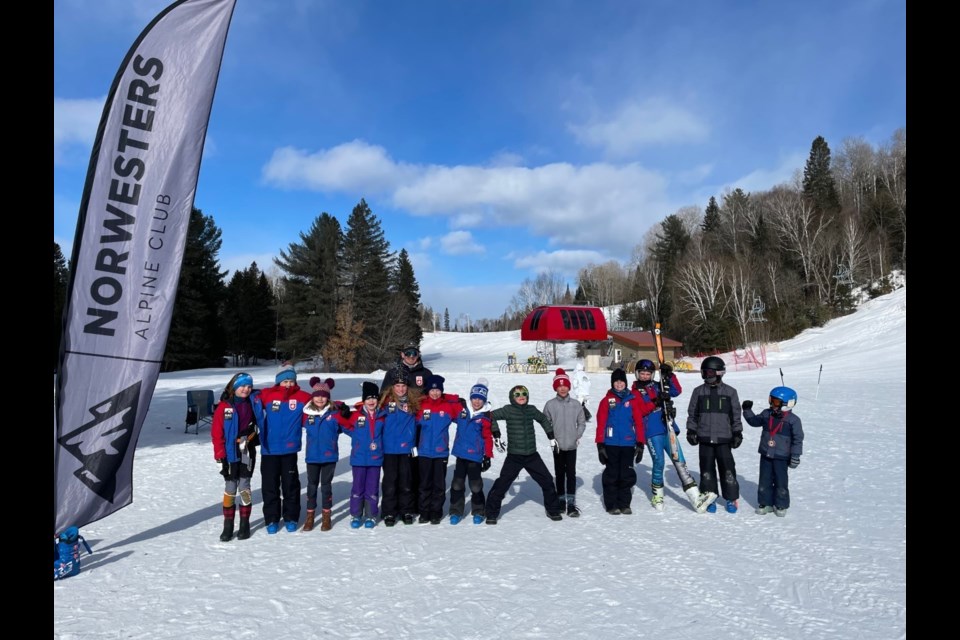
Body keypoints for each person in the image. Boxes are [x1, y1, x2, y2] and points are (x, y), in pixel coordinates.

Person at [632, 360, 717, 513]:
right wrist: (657, 402)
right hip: (652, 431)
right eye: (642, 373)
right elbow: (640, 410)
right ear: (637, 374)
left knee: (680, 462)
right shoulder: (634, 392)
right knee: (659, 462)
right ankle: (657, 495)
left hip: (668, 429)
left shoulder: (659, 386)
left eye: (648, 373)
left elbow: (676, 391)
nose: (645, 376)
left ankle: (695, 498)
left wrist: (669, 375)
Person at [484, 384, 564, 524]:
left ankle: (553, 509)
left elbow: (543, 419)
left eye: (524, 394)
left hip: (532, 455)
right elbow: (490, 416)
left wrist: (551, 436)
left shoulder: (531, 409)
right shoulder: (508, 410)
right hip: (514, 456)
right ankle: (491, 513)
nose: (521, 397)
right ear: (512, 397)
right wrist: (496, 435)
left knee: (547, 480)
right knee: (502, 483)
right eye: (517, 395)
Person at [685, 356, 744, 513]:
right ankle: (709, 497)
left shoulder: (730, 392)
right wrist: (691, 430)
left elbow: (736, 415)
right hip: (704, 438)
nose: (706, 376)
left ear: (719, 373)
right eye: (704, 373)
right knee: (706, 470)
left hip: (724, 438)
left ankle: (731, 498)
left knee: (728, 469)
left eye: (709, 372)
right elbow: (692, 414)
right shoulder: (698, 392)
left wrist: (737, 432)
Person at [258, 363, 311, 533]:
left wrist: (341, 407)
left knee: (290, 485)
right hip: (269, 449)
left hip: (289, 449)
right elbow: (246, 398)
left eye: (291, 380)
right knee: (270, 486)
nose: (288, 384)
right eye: (285, 381)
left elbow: (321, 401)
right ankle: (272, 518)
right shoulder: (266, 395)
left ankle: (291, 517)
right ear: (278, 381)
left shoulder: (303, 397)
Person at [211, 372, 264, 541]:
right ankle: (228, 525)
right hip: (229, 452)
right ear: (234, 386)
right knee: (230, 487)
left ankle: (244, 524)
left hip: (246, 449)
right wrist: (220, 457)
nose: (246, 389)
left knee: (245, 486)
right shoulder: (224, 407)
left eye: (249, 386)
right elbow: (216, 434)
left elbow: (275, 393)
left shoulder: (254, 401)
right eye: (242, 386)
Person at [595, 368, 653, 515]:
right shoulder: (606, 401)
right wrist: (600, 444)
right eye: (616, 381)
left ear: (625, 383)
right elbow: (601, 423)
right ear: (612, 383)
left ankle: (624, 503)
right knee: (612, 474)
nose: (619, 384)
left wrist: (640, 443)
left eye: (622, 381)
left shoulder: (632, 400)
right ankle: (611, 504)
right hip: (611, 443)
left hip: (628, 443)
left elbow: (638, 423)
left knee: (626, 474)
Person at [742, 386, 804, 517]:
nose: (772, 404)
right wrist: (747, 410)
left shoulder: (793, 421)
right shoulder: (767, 414)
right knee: (764, 479)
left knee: (781, 481)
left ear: (788, 404)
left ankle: (781, 504)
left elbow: (798, 439)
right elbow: (754, 421)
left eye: (776, 402)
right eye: (771, 400)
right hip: (766, 453)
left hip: (781, 456)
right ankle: (765, 503)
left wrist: (795, 455)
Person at [337, 381, 385, 528]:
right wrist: (355, 435)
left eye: (374, 398)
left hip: (375, 458)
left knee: (372, 488)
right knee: (357, 488)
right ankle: (356, 515)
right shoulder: (356, 415)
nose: (371, 401)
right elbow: (341, 421)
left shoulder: (383, 415)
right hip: (358, 458)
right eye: (368, 398)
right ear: (363, 400)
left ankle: (371, 515)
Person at [378, 368, 421, 526]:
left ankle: (406, 510)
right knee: (390, 482)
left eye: (403, 386)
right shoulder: (384, 402)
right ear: (392, 387)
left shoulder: (413, 403)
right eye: (397, 386)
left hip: (406, 450)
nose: (401, 389)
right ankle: (389, 512)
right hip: (389, 449)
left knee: (406, 482)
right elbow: (366, 409)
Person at [415, 374, 460, 524]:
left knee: (439, 485)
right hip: (424, 452)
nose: (435, 393)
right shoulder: (421, 405)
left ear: (442, 391)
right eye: (432, 390)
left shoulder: (448, 406)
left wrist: (456, 400)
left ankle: (435, 512)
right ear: (428, 391)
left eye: (438, 390)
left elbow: (465, 419)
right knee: (424, 484)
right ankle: (424, 512)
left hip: (441, 452)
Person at [449, 378, 494, 525]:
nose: (476, 402)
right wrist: (455, 398)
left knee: (475, 485)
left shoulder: (486, 417)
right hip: (461, 454)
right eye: (474, 398)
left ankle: (479, 511)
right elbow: (443, 400)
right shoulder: (462, 409)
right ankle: (456, 511)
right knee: (457, 484)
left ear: (484, 400)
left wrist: (487, 455)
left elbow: (488, 437)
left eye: (480, 399)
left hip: (475, 456)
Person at [543, 368, 586, 517]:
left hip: (572, 445)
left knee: (571, 474)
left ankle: (571, 503)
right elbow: (546, 423)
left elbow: (581, 422)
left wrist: (577, 435)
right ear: (556, 387)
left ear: (569, 386)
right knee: (559, 473)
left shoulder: (575, 404)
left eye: (565, 385)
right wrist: (551, 438)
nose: (562, 388)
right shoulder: (550, 405)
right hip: (558, 445)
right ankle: (561, 500)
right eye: (559, 386)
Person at [301, 377, 341, 532]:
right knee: (311, 487)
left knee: (326, 487)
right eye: (317, 395)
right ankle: (310, 516)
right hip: (312, 456)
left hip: (329, 456)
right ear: (312, 396)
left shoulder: (335, 413)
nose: (320, 398)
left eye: (324, 395)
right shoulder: (306, 413)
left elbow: (350, 425)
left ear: (328, 397)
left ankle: (326, 516)